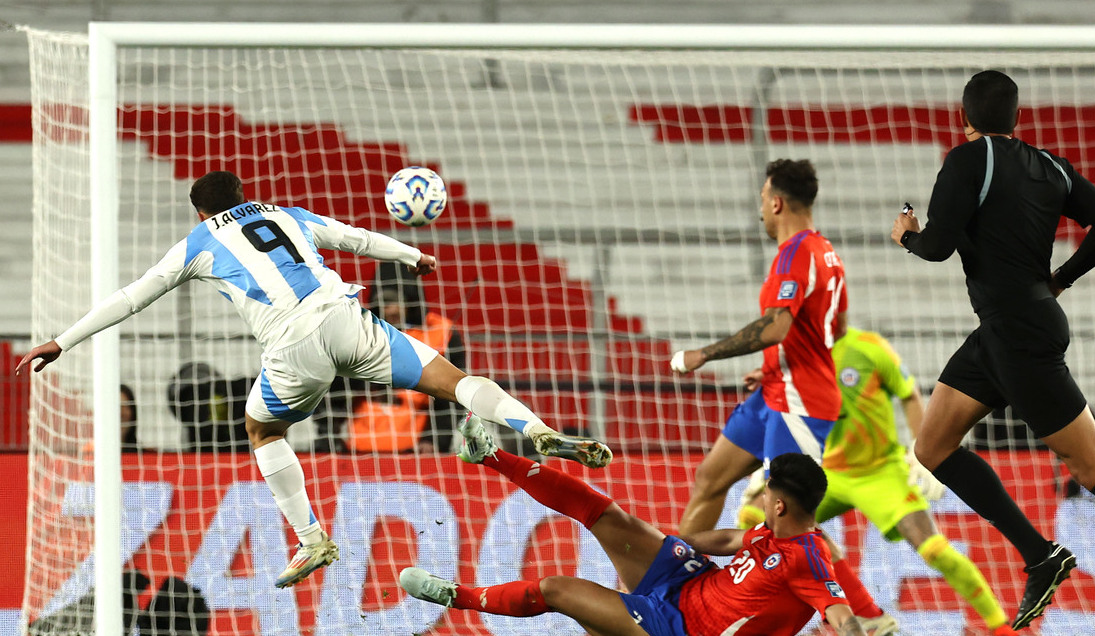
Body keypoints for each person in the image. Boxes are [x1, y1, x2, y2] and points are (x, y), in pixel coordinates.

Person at [15, 170, 613, 589]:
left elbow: (131, 297)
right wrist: (412, 257)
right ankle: (534, 428)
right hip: (348, 317)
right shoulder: (285, 214)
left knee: (259, 428)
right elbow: (353, 238)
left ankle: (310, 536)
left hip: (295, 345)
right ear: (244, 195)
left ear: (201, 211)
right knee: (455, 380)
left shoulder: (198, 241)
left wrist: (63, 340)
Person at [891, 69, 1095, 629]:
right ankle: (1041, 555)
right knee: (933, 446)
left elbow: (937, 247)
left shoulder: (967, 160)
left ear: (965, 119)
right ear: (1017, 118)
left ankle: (1041, 557)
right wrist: (1061, 278)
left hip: (1017, 336)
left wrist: (907, 235)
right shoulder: (1049, 165)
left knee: (1091, 464)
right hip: (1005, 331)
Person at [668, 161, 894, 633]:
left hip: (800, 404)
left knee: (790, 523)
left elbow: (776, 326)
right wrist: (776, 364)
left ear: (776, 202)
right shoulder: (826, 253)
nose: (761, 214)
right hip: (776, 390)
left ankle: (869, 616)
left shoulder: (798, 253)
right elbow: (836, 328)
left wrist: (703, 355)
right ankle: (673, 582)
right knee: (710, 477)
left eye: (762, 203)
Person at [400, 415, 868, 636]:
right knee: (609, 516)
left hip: (682, 628)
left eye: (767, 493)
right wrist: (670, 541)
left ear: (781, 505)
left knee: (558, 589)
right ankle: (491, 456)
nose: (761, 497)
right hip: (690, 581)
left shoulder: (808, 557)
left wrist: (845, 631)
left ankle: (453, 597)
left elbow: (839, 612)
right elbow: (729, 539)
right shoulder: (778, 528)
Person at [737, 327, 1018, 636]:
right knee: (755, 518)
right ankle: (852, 612)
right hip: (828, 472)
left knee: (934, 548)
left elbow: (909, 394)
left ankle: (1000, 628)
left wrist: (921, 447)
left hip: (882, 472)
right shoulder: (796, 355)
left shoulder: (869, 347)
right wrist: (763, 467)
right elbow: (780, 410)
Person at [335, 261, 466, 454]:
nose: (391, 310)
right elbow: (335, 390)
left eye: (397, 301)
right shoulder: (360, 331)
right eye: (385, 302)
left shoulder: (443, 333)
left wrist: (435, 440)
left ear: (411, 299)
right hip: (357, 447)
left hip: (418, 449)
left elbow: (453, 397)